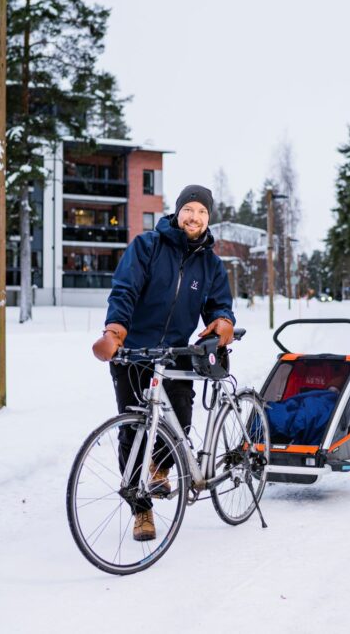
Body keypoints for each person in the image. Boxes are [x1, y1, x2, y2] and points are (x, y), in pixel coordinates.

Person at [92, 184, 235, 541]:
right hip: (134, 354)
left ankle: (159, 468)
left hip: (174, 355)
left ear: (208, 218)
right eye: (189, 209)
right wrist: (115, 331)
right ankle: (141, 510)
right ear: (177, 212)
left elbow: (218, 305)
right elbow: (124, 290)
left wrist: (222, 322)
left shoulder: (210, 263)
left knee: (180, 422)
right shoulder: (148, 246)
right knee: (133, 432)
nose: (195, 217)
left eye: (202, 212)